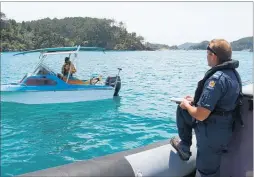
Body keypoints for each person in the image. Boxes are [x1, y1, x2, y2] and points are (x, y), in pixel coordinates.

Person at [170, 39, 242, 177]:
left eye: (207, 53)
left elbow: (201, 115)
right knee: (212, 169)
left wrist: (186, 105)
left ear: (214, 56)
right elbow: (221, 102)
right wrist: (195, 101)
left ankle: (185, 147)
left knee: (206, 172)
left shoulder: (216, 79)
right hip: (224, 128)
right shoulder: (232, 74)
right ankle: (185, 147)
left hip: (211, 132)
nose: (206, 56)